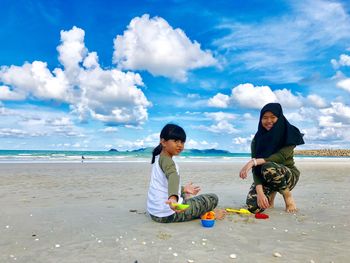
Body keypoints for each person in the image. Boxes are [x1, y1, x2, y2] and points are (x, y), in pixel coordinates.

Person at [147, 123, 225, 223]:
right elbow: (172, 176)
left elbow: (164, 184)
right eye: (175, 141)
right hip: (168, 214)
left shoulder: (159, 158)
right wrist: (173, 199)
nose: (180, 145)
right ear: (163, 142)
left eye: (182, 142)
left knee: (185, 194)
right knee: (212, 198)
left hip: (154, 212)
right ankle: (207, 214)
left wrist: (183, 189)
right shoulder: (167, 161)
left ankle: (182, 197)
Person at [239, 103, 304, 213]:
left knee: (268, 166)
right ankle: (271, 194)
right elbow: (257, 170)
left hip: (287, 175)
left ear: (279, 117)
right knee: (254, 208)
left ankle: (288, 197)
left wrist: (253, 162)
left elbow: (280, 157)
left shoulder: (289, 133)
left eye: (273, 117)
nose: (269, 121)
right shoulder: (258, 138)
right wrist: (260, 193)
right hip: (265, 175)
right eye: (265, 118)